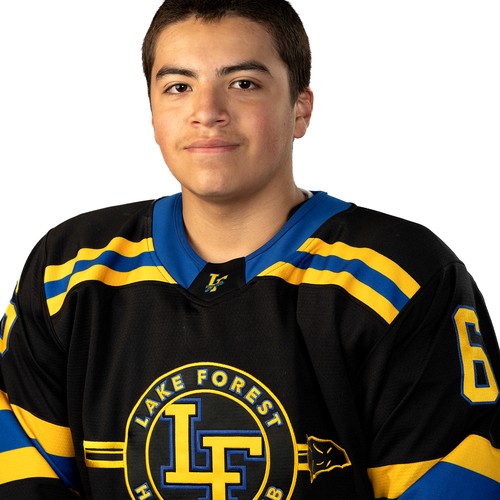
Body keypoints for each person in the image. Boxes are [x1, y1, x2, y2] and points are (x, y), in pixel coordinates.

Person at [0, 0, 499, 498]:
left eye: (243, 84)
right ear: (152, 111)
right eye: (179, 87)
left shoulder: (400, 276)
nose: (207, 113)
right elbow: (22, 476)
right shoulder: (68, 270)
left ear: (300, 108)